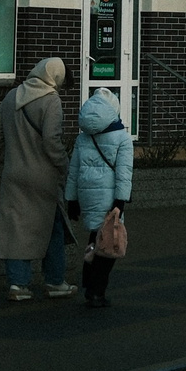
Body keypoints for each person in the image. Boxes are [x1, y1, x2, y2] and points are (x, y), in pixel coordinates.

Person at [0, 57, 75, 301]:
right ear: (55, 77)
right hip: (43, 177)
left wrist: (11, 155)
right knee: (52, 226)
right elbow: (52, 141)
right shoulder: (51, 101)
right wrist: (64, 164)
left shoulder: (12, 96)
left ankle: (18, 285)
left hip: (13, 174)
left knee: (16, 228)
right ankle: (54, 281)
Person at [67, 86, 135, 309]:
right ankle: (96, 291)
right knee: (110, 245)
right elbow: (124, 174)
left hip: (86, 196)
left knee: (95, 239)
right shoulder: (123, 138)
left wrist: (72, 200)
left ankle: (89, 286)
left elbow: (73, 171)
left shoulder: (83, 138)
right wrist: (120, 201)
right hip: (109, 198)